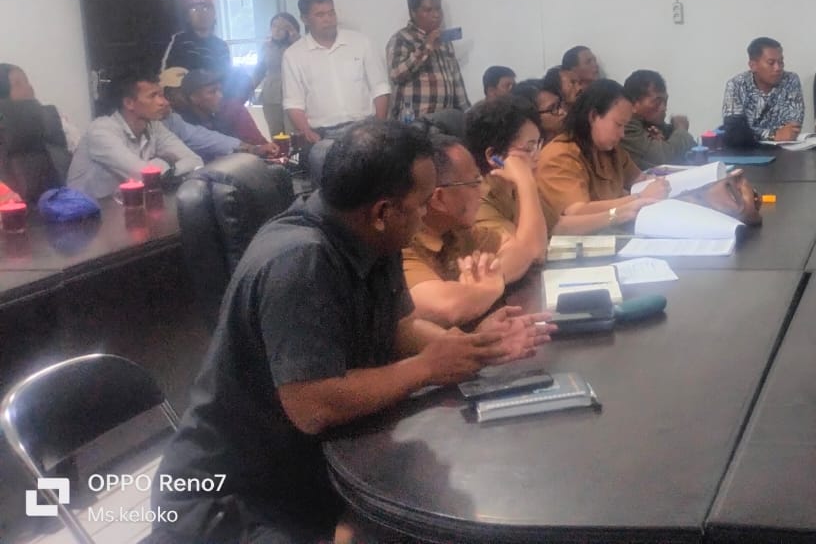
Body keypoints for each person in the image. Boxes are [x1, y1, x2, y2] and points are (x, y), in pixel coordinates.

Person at [152, 121, 553, 543]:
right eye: (420, 204)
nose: (425, 215)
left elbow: (397, 328)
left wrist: (470, 349)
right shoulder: (300, 262)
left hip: (310, 468)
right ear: (382, 212)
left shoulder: (374, 236)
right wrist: (427, 368)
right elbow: (312, 404)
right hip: (232, 498)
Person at [404, 134, 549, 328]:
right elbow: (450, 307)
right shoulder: (403, 243)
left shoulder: (456, 231)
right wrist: (488, 289)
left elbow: (522, 251)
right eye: (474, 183)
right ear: (439, 198)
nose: (481, 191)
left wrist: (492, 276)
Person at [537, 80, 669, 234]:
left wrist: (663, 185)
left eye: (625, 126)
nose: (622, 134)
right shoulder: (560, 156)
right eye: (618, 125)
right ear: (593, 116)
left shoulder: (611, 149)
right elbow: (576, 211)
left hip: (615, 232)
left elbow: (640, 179)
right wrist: (638, 198)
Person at [66, 73, 202, 199]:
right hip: (84, 212)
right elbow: (144, 176)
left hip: (126, 204)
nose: (164, 102)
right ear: (129, 103)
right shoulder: (101, 131)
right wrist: (164, 163)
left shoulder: (154, 126)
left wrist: (169, 172)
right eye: (153, 96)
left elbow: (195, 161)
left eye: (161, 95)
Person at [462, 97, 552, 286]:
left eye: (539, 145)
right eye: (529, 148)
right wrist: (525, 182)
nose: (538, 156)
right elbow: (534, 253)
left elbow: (555, 225)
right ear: (493, 156)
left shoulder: (511, 186)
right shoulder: (478, 200)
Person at [282, 0, 391, 144]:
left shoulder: (361, 43)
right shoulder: (293, 55)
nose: (328, 19)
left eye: (331, 13)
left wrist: (379, 126)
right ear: (304, 19)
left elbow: (380, 88)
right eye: (320, 15)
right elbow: (293, 103)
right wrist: (307, 132)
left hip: (365, 129)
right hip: (323, 135)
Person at [387, 0, 470, 120]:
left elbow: (457, 82)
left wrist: (468, 116)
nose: (436, 15)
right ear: (413, 13)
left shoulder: (445, 41)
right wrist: (426, 46)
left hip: (443, 121)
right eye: (428, 10)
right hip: (413, 122)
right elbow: (396, 74)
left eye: (438, 9)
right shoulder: (402, 38)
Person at [158, 68, 273, 161]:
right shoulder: (174, 122)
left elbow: (211, 139)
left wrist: (254, 149)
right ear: (193, 97)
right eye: (212, 92)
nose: (220, 96)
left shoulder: (224, 115)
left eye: (219, 90)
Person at [0, 63, 75, 199]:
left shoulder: (52, 118)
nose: (29, 87)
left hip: (59, 199)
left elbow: (76, 154)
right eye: (18, 84)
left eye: (27, 81)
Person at [722, 36, 804, 142]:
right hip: (745, 149)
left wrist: (757, 133)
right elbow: (734, 132)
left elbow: (792, 128)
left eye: (780, 62)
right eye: (771, 63)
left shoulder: (790, 80)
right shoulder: (736, 85)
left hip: (783, 148)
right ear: (753, 66)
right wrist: (773, 135)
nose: (778, 68)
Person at [620, 69, 694, 168]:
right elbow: (665, 157)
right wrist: (681, 128)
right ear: (634, 103)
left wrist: (665, 140)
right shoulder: (625, 126)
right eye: (657, 102)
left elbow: (692, 148)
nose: (663, 108)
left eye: (665, 101)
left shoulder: (651, 123)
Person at [161, 0, 232, 78]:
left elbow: (226, 76)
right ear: (187, 17)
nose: (201, 14)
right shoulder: (179, 40)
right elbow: (169, 75)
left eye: (206, 9)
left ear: (214, 14)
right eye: (194, 10)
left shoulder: (221, 46)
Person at [254, 12, 300, 137]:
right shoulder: (266, 46)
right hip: (271, 95)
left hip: (293, 95)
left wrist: (295, 38)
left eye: (282, 26)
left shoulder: (299, 46)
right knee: (276, 134)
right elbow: (259, 70)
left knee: (293, 133)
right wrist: (248, 88)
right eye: (274, 26)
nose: (277, 30)